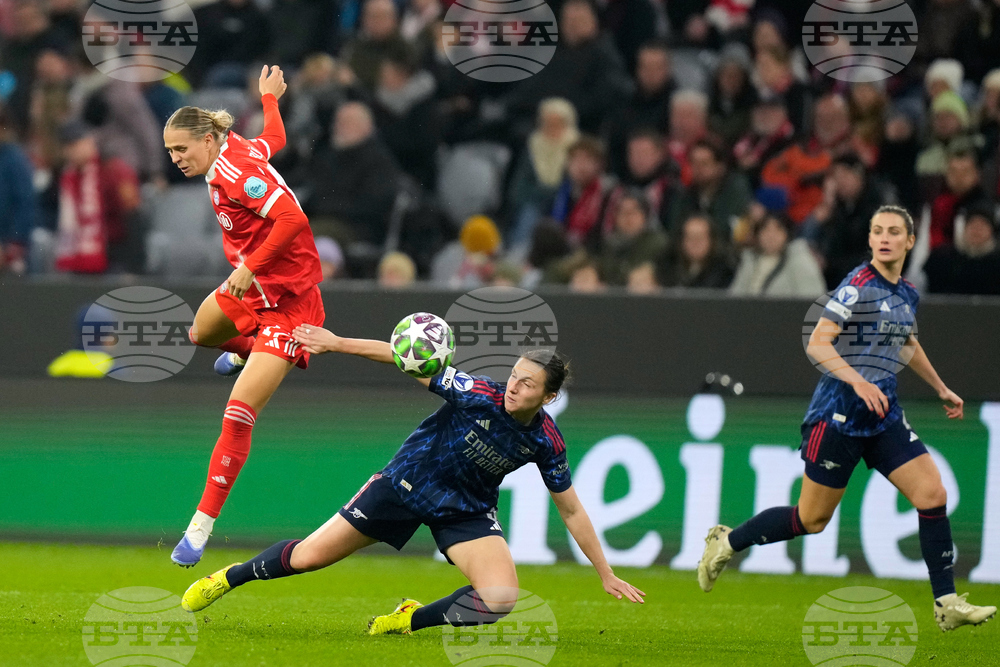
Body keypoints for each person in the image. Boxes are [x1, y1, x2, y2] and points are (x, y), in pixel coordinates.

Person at [179, 346, 645, 634]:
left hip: (464, 510)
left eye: (527, 384)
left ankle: (407, 619)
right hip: (404, 485)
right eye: (515, 374)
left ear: (548, 397)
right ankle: (228, 578)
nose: (514, 386)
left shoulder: (546, 441)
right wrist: (336, 343)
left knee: (499, 599)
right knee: (307, 558)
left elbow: (572, 512)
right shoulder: (478, 391)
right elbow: (407, 359)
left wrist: (604, 572)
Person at [698, 205, 997, 632]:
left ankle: (946, 601)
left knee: (932, 494)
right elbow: (818, 344)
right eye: (877, 231)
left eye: (894, 232)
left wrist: (940, 386)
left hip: (883, 416)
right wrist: (858, 382)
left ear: (910, 241)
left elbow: (906, 343)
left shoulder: (906, 293)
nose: (885, 238)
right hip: (837, 418)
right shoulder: (857, 287)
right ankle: (727, 542)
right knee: (811, 520)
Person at [162, 66, 324, 567]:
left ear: (208, 140)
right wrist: (270, 99)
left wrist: (250, 267)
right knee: (201, 332)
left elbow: (293, 218)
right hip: (252, 289)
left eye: (182, 149)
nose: (176, 159)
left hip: (288, 302)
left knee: (237, 414)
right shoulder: (234, 153)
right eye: (170, 151)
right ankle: (249, 353)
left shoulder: (236, 172)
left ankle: (199, 527)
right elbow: (272, 138)